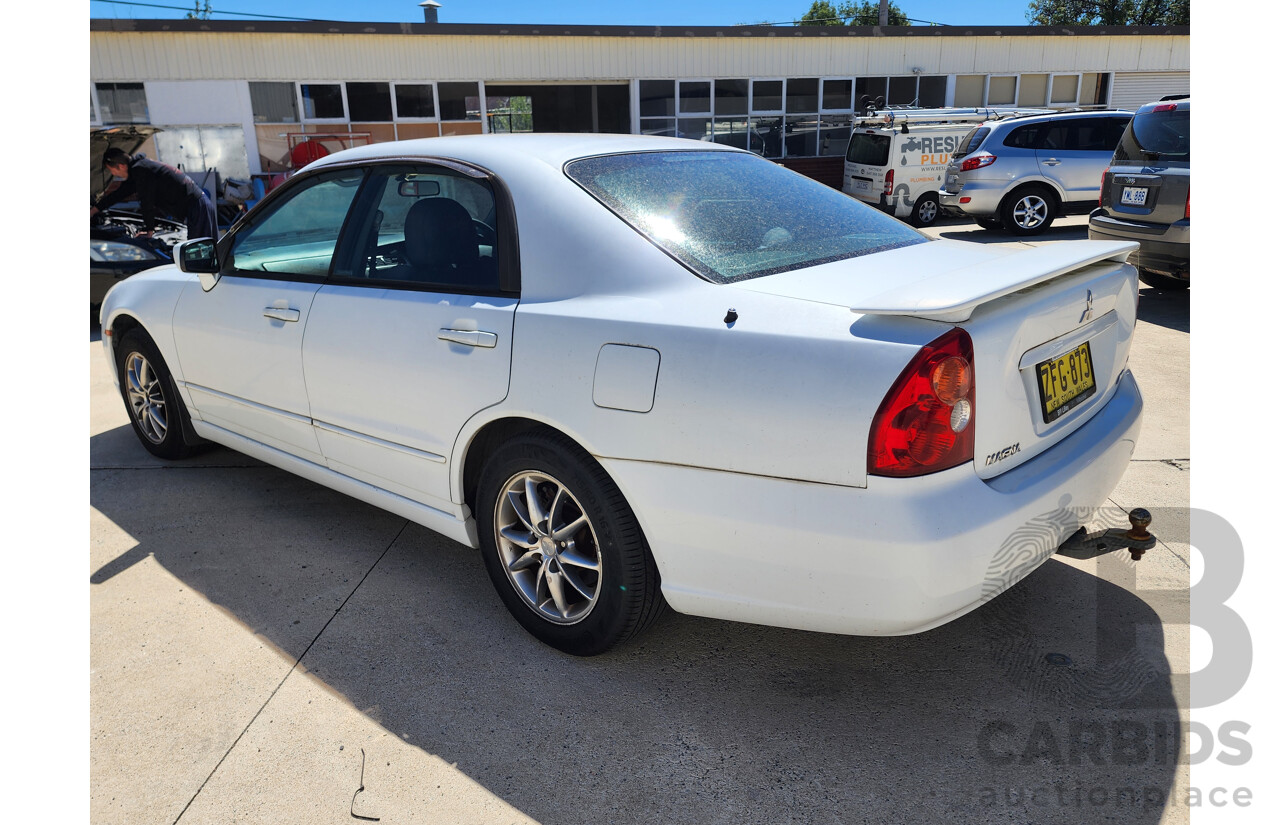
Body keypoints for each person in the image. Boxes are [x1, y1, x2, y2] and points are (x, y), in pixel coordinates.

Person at [90, 147, 218, 240]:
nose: (113, 175)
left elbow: (147, 202)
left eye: (112, 170)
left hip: (197, 207)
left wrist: (149, 230)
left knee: (200, 252)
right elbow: (117, 194)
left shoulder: (141, 170)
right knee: (201, 251)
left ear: (121, 166)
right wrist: (94, 210)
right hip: (198, 206)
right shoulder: (139, 170)